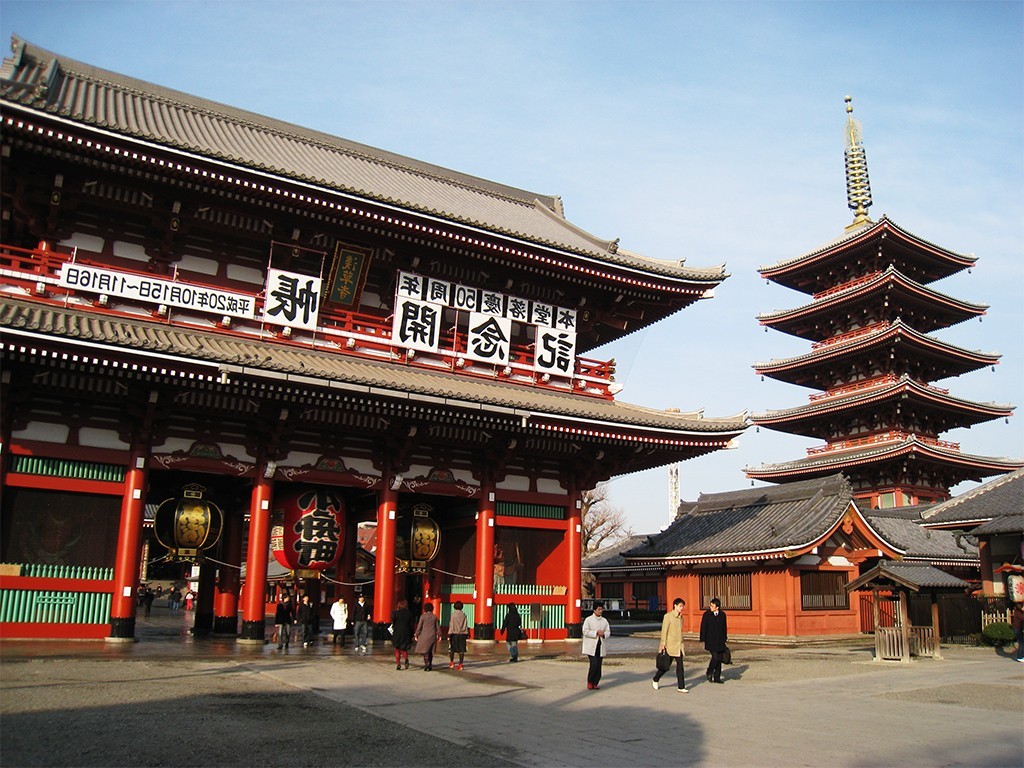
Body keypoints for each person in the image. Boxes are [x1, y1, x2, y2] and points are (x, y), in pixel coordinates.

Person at [653, 597, 688, 693]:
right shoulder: (668, 616)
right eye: (680, 606)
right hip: (670, 645)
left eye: (682, 606)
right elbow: (664, 631)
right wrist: (663, 643)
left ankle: (681, 686)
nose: (682, 608)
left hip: (679, 645)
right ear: (675, 606)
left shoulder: (681, 617)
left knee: (680, 666)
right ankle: (656, 678)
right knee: (665, 666)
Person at [581, 601, 611, 690]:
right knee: (594, 664)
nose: (600, 611)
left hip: (600, 645)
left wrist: (604, 634)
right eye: (599, 609)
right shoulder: (588, 620)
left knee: (599, 666)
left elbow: (608, 632)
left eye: (601, 609)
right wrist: (595, 633)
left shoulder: (604, 621)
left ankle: (595, 682)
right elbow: (585, 631)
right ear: (594, 610)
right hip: (591, 646)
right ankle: (590, 681)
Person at [700, 597, 728, 683]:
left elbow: (724, 627)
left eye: (712, 606)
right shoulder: (707, 615)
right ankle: (709, 671)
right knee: (715, 657)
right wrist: (702, 639)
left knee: (719, 659)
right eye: (710, 605)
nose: (710, 607)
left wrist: (724, 638)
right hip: (710, 640)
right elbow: (703, 627)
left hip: (720, 640)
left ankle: (717, 677)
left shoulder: (722, 615)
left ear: (717, 607)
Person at [414, 601, 439, 671]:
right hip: (432, 635)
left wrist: (416, 634)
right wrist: (439, 634)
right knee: (430, 651)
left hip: (424, 635)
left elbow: (419, 627)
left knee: (425, 651)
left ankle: (426, 664)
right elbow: (437, 627)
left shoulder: (422, 616)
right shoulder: (434, 617)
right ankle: (430, 664)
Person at [391, 599, 415, 670]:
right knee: (404, 649)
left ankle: (398, 664)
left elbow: (393, 622)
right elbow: (411, 625)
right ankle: (406, 659)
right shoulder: (409, 614)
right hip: (406, 633)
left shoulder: (395, 613)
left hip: (397, 632)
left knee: (397, 649)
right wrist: (412, 634)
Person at [447, 600, 470, 670]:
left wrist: (449, 634)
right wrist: (467, 633)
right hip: (462, 634)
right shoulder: (464, 615)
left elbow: (451, 625)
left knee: (452, 649)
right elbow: (466, 625)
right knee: (461, 649)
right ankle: (461, 664)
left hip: (454, 634)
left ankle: (451, 662)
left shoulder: (453, 615)